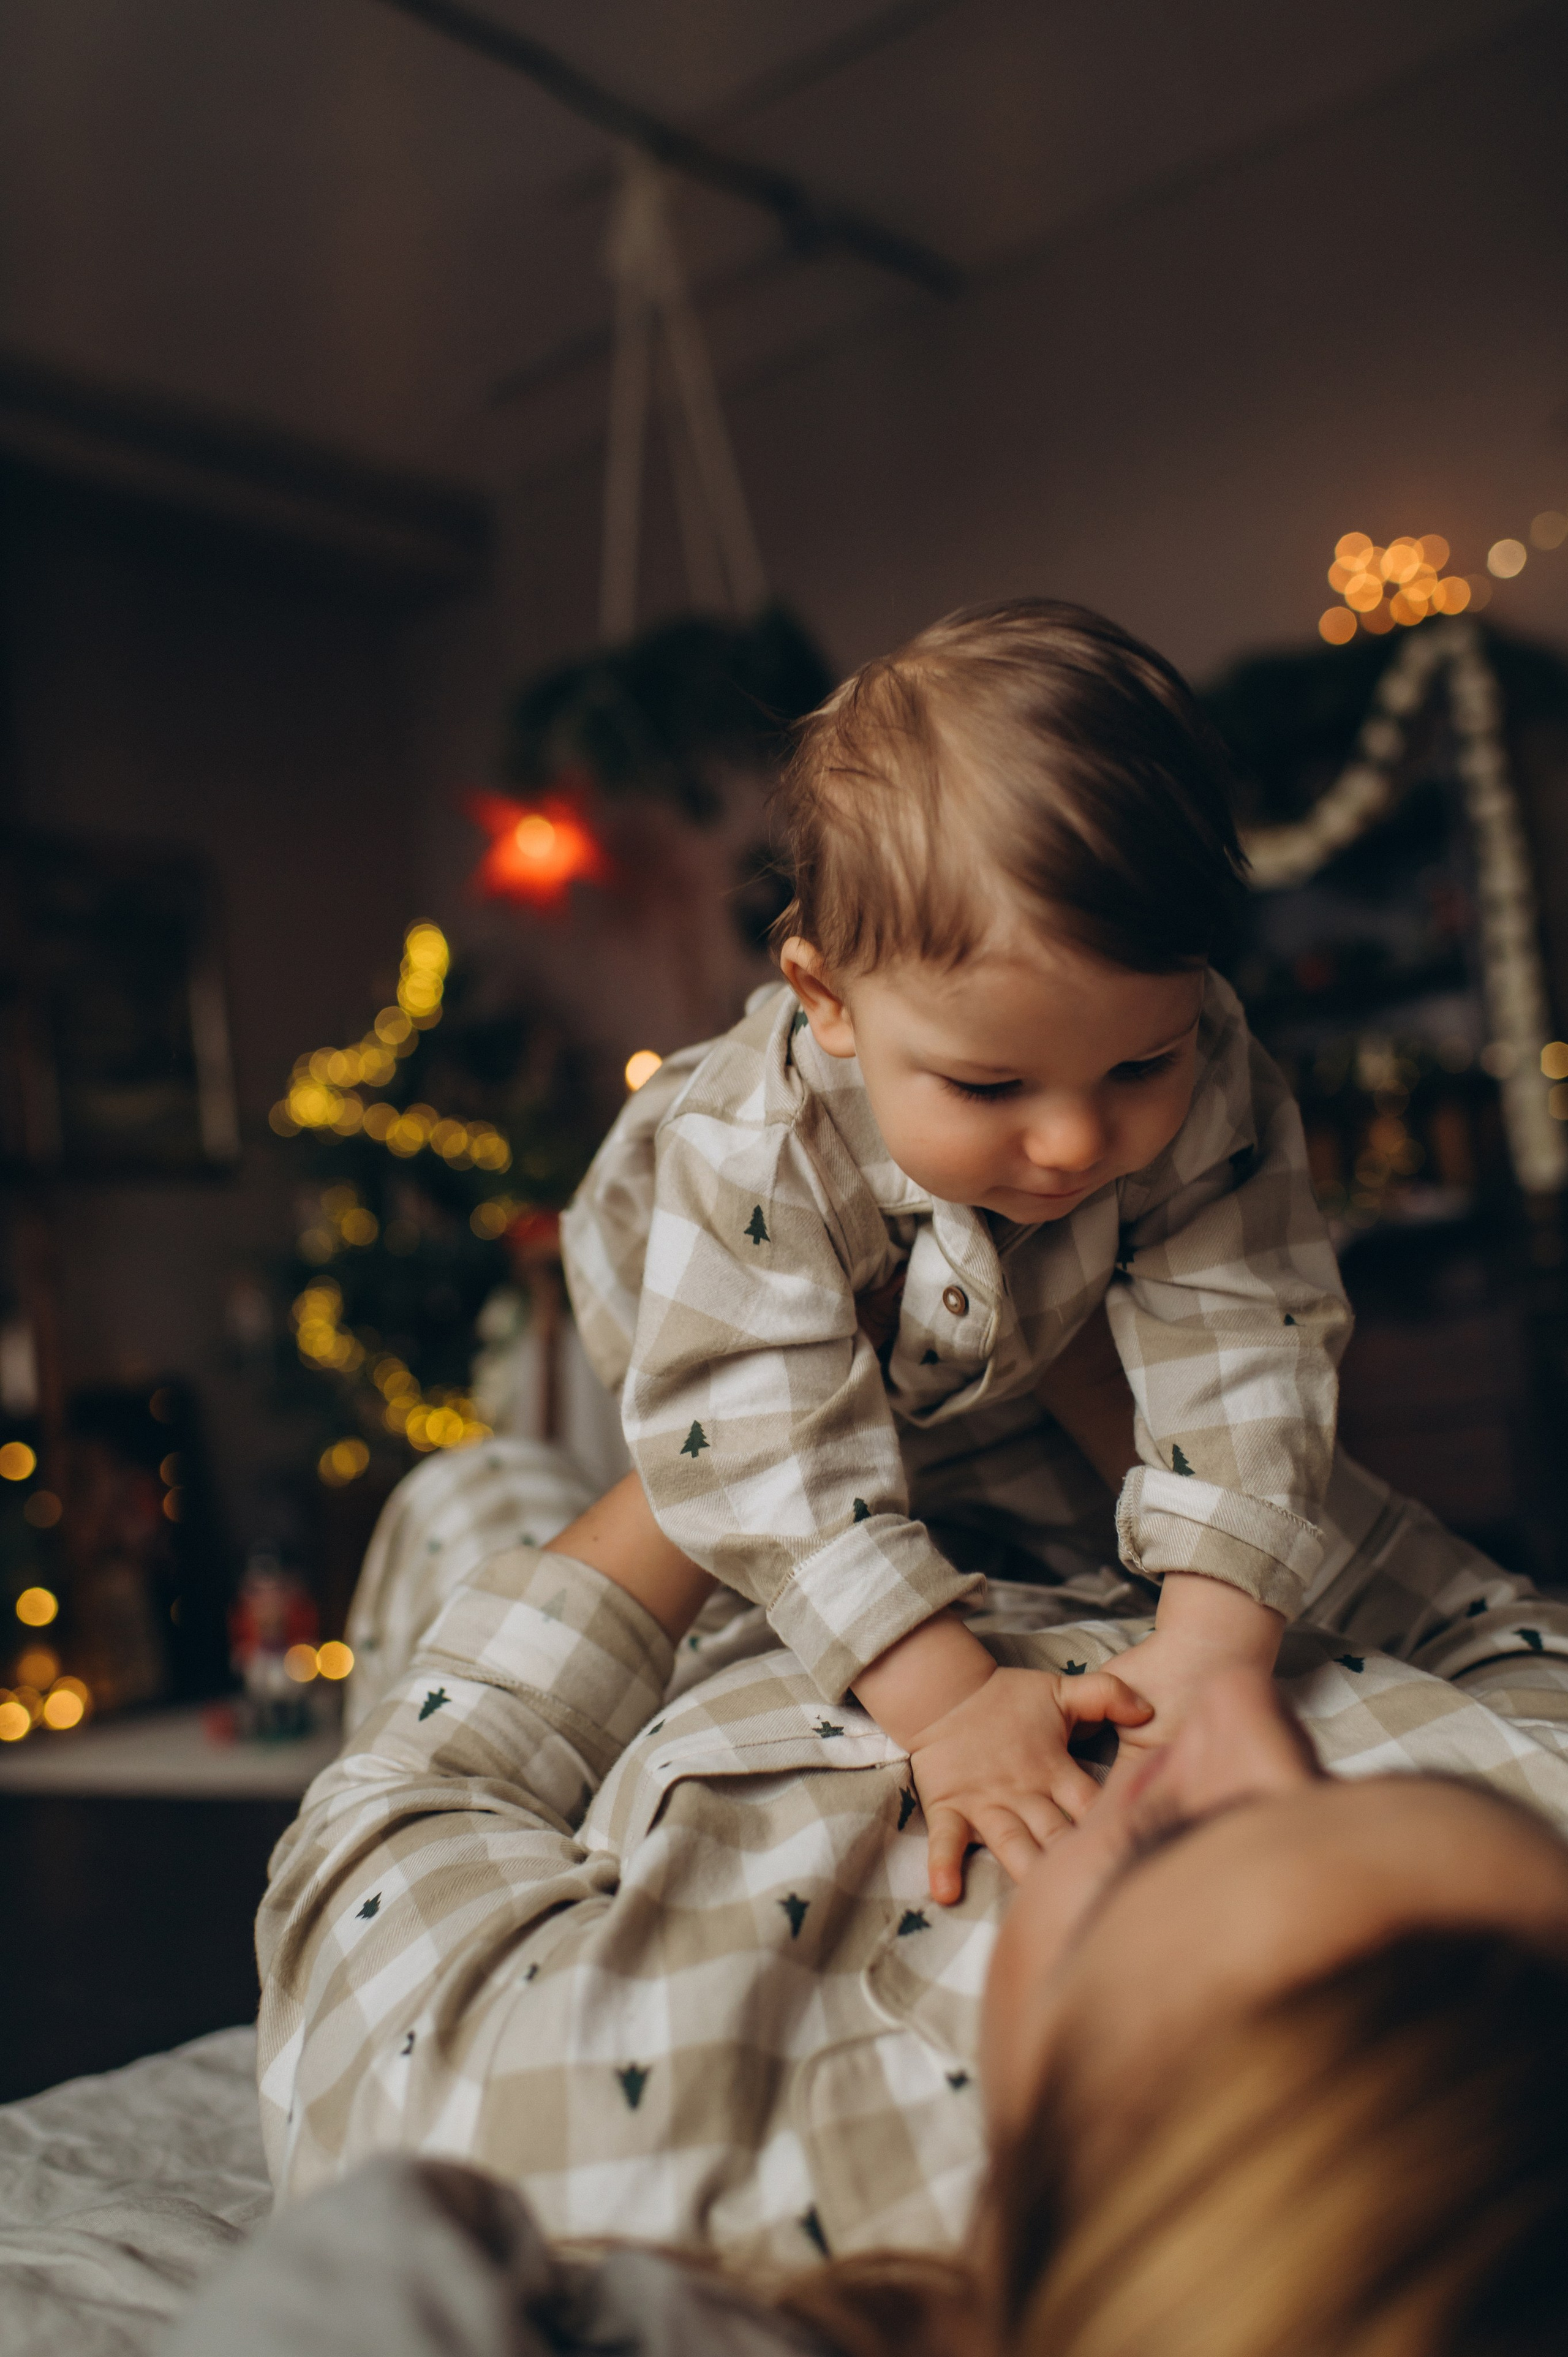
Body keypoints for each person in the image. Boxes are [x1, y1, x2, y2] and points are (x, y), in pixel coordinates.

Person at [219, 1515, 1568, 2355]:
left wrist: (738, 1476)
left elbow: (407, 1803)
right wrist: (1198, 1483)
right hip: (1152, 1508)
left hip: (682, 1613)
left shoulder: (581, 2165)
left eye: (1163, 1840)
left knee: (476, 1483)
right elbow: (1493, 1629)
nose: (1234, 1715)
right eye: (1368, 1793)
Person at [562, 600, 1352, 1903]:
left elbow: (1245, 1327)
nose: (1071, 1138)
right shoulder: (747, 1142)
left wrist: (1213, 1632)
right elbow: (752, 1441)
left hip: (1012, 1343)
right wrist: (948, 1700)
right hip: (712, 1358)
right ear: (826, 1001)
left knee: (1176, 1510)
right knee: (727, 1560)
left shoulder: (1204, 1056)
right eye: (989, 1086)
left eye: (1135, 1063)